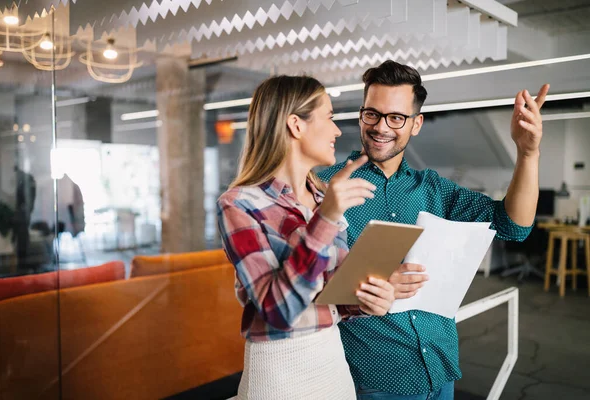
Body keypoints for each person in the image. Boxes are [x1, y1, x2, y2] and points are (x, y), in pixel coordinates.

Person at [318, 60, 549, 400]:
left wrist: (528, 153)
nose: (381, 127)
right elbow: (303, 283)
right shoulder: (325, 186)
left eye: (396, 117)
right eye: (372, 114)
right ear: (361, 115)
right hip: (374, 377)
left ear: (416, 124)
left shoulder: (434, 189)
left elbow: (513, 226)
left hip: (438, 368)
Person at [217, 75, 396, 400]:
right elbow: (278, 310)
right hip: (277, 374)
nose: (337, 130)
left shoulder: (324, 196)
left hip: (332, 365)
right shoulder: (239, 204)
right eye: (328, 117)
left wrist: (369, 300)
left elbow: (333, 298)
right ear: (296, 126)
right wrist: (326, 218)